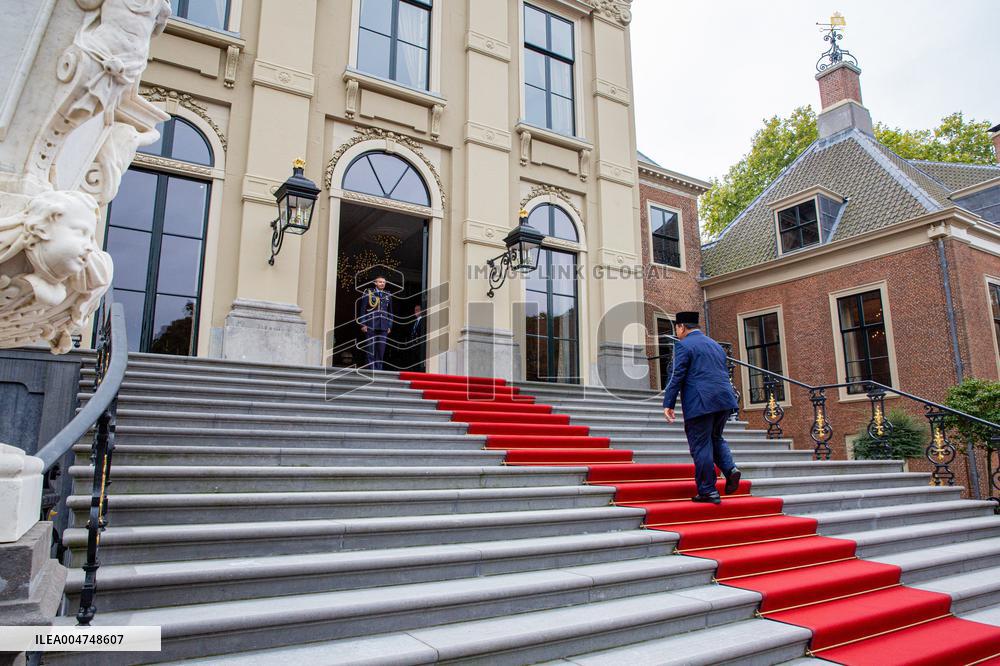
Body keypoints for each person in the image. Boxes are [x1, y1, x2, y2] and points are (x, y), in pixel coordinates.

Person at [662, 311, 741, 504]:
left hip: (700, 402)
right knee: (715, 437)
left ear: (681, 327)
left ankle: (708, 491)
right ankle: (730, 469)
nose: (677, 332)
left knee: (700, 445)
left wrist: (668, 403)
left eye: (677, 328)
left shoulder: (683, 345)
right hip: (724, 400)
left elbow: (676, 376)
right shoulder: (715, 345)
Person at [359, 275, 393, 370]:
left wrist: (389, 325)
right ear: (375, 283)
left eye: (383, 282)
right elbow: (363, 310)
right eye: (380, 282)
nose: (382, 284)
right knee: (371, 349)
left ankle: (379, 370)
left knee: (381, 349)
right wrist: (363, 324)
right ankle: (371, 370)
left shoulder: (388, 295)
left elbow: (390, 312)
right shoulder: (369, 293)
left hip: (383, 326)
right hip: (371, 325)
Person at [408, 303, 426, 372]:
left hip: (419, 346)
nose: (415, 312)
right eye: (415, 310)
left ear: (421, 311)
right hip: (413, 346)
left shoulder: (423, 320)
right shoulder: (415, 321)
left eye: (417, 310)